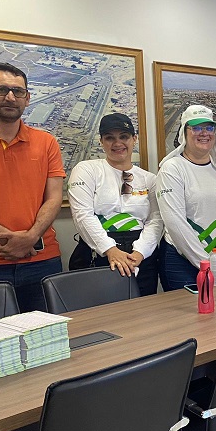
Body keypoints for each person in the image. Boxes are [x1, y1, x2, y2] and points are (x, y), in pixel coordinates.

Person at [0, 62, 64, 312]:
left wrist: (30, 238)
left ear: (27, 99)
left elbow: (54, 198)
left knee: (47, 344)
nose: (10, 97)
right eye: (1, 89)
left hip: (42, 261)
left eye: (18, 92)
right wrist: (11, 240)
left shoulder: (46, 142)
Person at [67, 113, 162, 296]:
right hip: (98, 253)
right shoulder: (87, 170)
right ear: (101, 141)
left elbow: (155, 220)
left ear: (134, 139)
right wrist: (110, 250)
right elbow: (83, 215)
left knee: (143, 313)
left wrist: (140, 253)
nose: (117, 143)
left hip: (141, 256)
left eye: (124, 137)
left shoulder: (150, 179)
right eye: (110, 138)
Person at [156, 105, 216, 290]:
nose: (204, 133)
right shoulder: (172, 168)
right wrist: (206, 263)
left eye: (209, 127)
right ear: (184, 133)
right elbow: (175, 222)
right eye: (196, 127)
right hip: (182, 261)